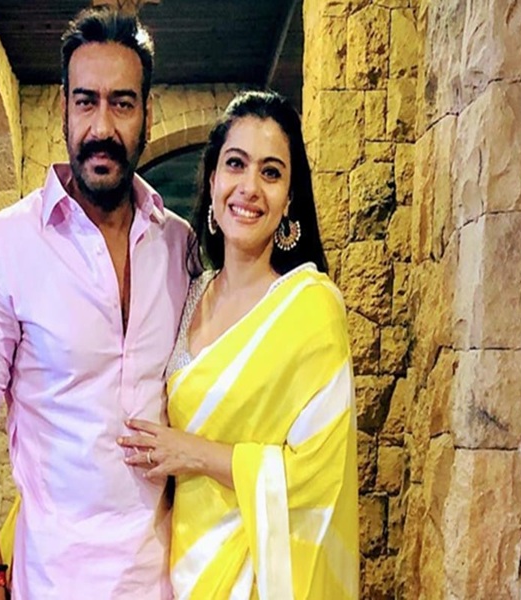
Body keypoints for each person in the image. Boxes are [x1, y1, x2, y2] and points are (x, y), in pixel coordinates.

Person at [0, 8, 192, 599]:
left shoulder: (179, 245)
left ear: (147, 113)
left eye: (122, 103)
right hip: (54, 579)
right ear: (64, 108)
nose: (102, 126)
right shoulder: (2, 246)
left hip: (172, 577)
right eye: (86, 102)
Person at [119, 90, 359, 599]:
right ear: (212, 180)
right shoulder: (189, 292)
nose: (249, 187)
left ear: (289, 198)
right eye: (235, 164)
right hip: (177, 569)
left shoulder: (311, 309)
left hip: (260, 579)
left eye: (271, 172)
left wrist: (194, 453)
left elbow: (318, 477)